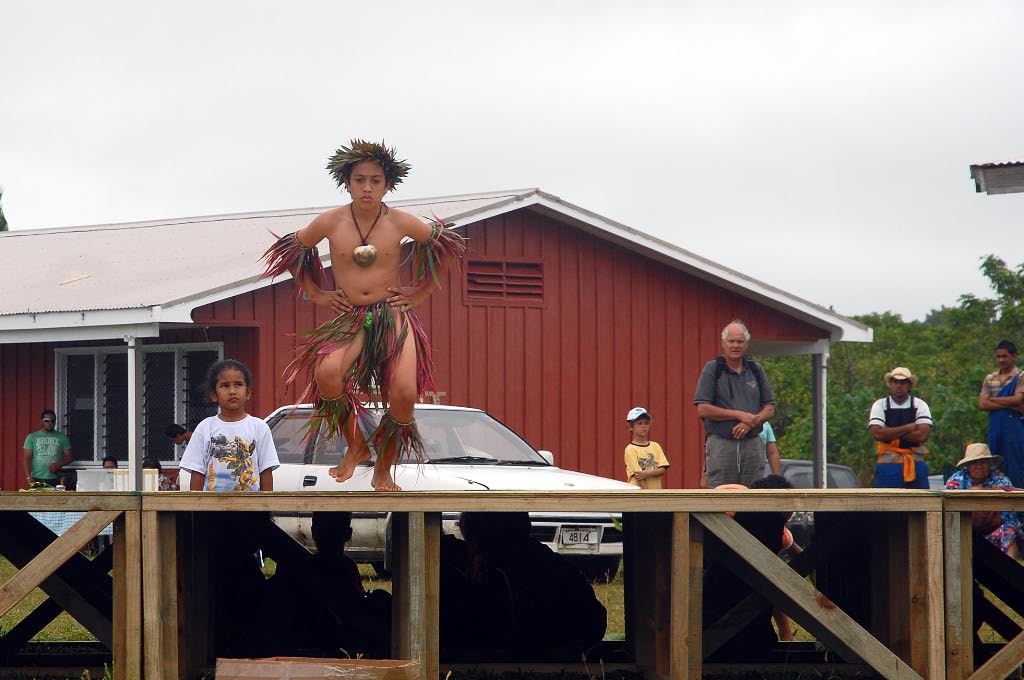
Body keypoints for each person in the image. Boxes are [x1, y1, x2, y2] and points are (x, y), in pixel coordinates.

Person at [260, 139, 466, 492]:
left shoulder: (401, 221)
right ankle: (356, 445)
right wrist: (316, 294)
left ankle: (382, 469)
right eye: (359, 180)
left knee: (404, 393)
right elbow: (292, 250)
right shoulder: (330, 221)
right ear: (347, 182)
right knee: (328, 372)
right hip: (351, 315)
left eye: (375, 180)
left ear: (388, 185)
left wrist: (422, 291)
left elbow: (446, 244)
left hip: (391, 315)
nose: (367, 187)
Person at [694, 320, 775, 487]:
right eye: (731, 341)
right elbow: (703, 409)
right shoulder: (713, 369)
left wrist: (751, 422)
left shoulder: (756, 369)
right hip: (722, 444)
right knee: (721, 494)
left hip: (753, 443)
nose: (735, 345)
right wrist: (738, 415)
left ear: (746, 344)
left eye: (740, 341)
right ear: (723, 343)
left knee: (753, 495)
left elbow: (769, 408)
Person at [179, 359, 280, 491]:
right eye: (225, 385)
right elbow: (197, 473)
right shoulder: (205, 428)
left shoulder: (259, 427)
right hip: (212, 509)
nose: (232, 391)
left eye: (238, 384)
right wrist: (196, 509)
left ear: (248, 393)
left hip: (252, 509)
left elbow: (266, 472)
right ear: (214, 395)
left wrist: (266, 508)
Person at [945, 443, 1021, 558]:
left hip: (994, 530)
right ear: (968, 465)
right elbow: (946, 503)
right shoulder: (957, 479)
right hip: (965, 528)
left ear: (990, 464)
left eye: (984, 462)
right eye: (975, 462)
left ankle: (1010, 573)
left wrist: (983, 490)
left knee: (1008, 531)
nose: (979, 466)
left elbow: (1011, 501)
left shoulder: (999, 478)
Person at [868, 366, 932, 488]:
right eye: (895, 382)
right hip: (888, 467)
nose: (899, 385)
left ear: (909, 385)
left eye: (903, 382)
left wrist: (889, 431)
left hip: (915, 464)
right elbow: (877, 433)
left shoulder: (920, 405)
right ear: (890, 384)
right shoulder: (880, 405)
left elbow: (922, 436)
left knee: (919, 503)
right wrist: (908, 428)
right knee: (887, 504)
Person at [979, 339, 1024, 488]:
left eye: (1004, 356)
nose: (1001, 360)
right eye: (998, 357)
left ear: (1013, 356)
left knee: (1016, 465)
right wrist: (1010, 403)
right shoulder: (990, 378)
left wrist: (993, 399)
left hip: (1014, 428)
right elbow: (983, 404)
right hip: (995, 429)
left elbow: (1018, 398)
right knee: (995, 464)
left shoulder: (1020, 376)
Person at [22, 409, 73, 488]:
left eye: (53, 421)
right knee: (37, 500)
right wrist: (28, 476)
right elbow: (27, 458)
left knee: (54, 500)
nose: (50, 423)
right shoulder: (32, 437)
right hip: (36, 476)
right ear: (42, 421)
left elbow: (69, 457)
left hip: (56, 477)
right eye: (47, 421)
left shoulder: (62, 437)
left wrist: (58, 464)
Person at [623, 407, 670, 489]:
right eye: (640, 423)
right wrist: (647, 493)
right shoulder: (630, 449)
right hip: (639, 493)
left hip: (655, 492)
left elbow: (662, 469)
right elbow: (638, 476)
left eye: (646, 423)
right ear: (630, 427)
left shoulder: (655, 446)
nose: (644, 426)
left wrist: (647, 473)